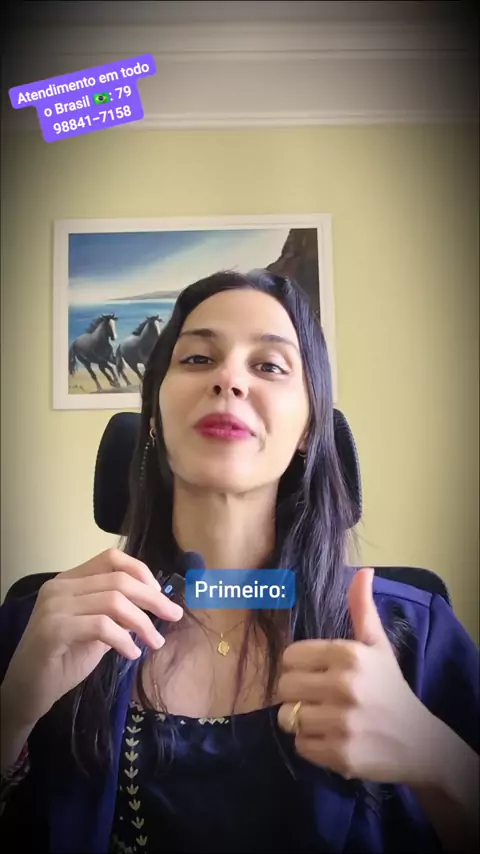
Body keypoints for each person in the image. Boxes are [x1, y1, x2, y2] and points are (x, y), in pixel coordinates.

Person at [0, 269, 478, 854]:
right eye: (198, 359)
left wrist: (436, 759)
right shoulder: (38, 629)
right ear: (153, 419)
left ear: (309, 428)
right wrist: (10, 716)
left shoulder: (419, 634)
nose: (228, 378)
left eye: (270, 366)